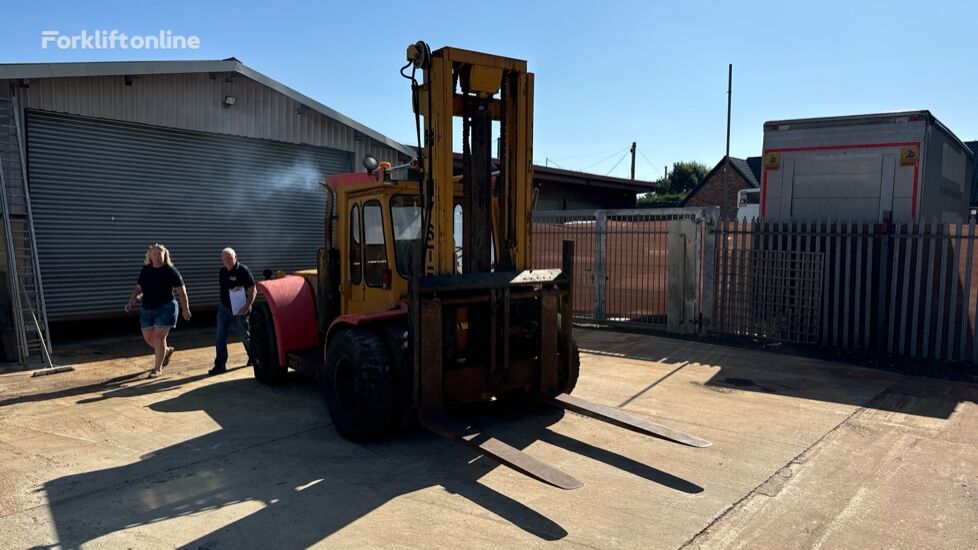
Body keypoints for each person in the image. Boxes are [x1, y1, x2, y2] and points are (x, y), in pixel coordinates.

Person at [125, 243, 192, 378]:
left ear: (164, 255)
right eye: (154, 254)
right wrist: (131, 301)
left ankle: (157, 368)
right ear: (149, 256)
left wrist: (186, 309)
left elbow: (181, 291)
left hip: (166, 307)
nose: (156, 256)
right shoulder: (146, 270)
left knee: (159, 337)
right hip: (147, 308)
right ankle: (166, 351)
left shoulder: (171, 270)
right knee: (149, 337)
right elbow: (139, 287)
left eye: (159, 254)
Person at [210, 247, 256, 375]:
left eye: (230, 258)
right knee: (220, 337)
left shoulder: (243, 271)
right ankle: (220, 365)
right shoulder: (222, 272)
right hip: (224, 309)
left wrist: (247, 306)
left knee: (244, 336)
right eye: (225, 258)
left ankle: (254, 356)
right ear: (222, 260)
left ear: (235, 257)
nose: (228, 261)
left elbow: (253, 290)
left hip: (240, 309)